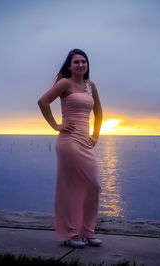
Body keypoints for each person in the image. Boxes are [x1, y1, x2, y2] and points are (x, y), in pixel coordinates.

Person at [37, 49, 103, 248]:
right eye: (76, 62)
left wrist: (96, 135)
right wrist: (56, 125)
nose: (81, 65)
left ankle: (87, 232)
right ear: (69, 66)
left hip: (84, 142)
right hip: (69, 143)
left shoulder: (90, 86)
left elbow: (99, 113)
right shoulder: (65, 83)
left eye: (84, 61)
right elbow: (43, 101)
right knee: (72, 188)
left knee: (93, 186)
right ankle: (71, 234)